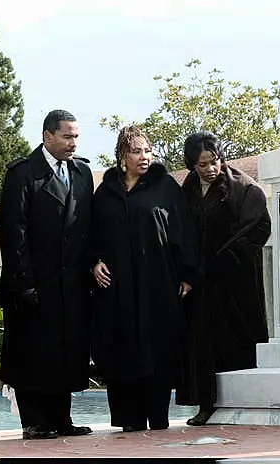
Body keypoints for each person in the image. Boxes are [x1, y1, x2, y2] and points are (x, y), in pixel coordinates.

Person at [91, 126, 197, 432]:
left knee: (158, 348)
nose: (144, 156)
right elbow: (91, 233)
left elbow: (185, 230)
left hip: (157, 287)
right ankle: (128, 420)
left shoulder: (165, 187)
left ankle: (158, 417)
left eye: (147, 150)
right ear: (122, 156)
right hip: (116, 290)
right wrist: (93, 262)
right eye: (136, 151)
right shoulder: (106, 192)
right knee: (120, 349)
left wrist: (188, 274)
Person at [0, 109, 94, 440]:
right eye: (67, 136)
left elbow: (87, 227)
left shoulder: (82, 172)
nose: (73, 143)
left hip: (71, 283)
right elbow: (14, 234)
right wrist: (23, 284)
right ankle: (34, 422)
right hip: (33, 282)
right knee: (33, 352)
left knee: (64, 350)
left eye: (76, 137)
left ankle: (61, 419)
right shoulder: (23, 174)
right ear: (47, 136)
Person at [175, 130, 271, 426]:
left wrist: (226, 260)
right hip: (200, 281)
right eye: (202, 164)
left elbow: (258, 228)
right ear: (192, 165)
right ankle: (206, 405)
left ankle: (247, 403)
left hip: (234, 280)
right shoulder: (187, 190)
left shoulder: (242, 189)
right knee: (201, 344)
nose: (210, 169)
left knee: (237, 339)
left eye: (214, 161)